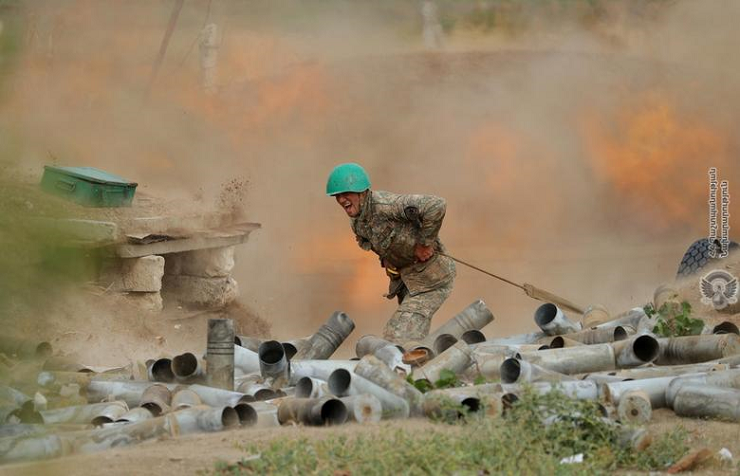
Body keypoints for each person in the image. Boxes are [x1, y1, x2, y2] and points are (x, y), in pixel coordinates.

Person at [326, 162, 456, 343]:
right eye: (337, 196)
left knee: (398, 335)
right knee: (412, 339)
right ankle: (422, 367)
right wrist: (388, 259)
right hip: (407, 282)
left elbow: (436, 205)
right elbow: (380, 242)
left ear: (362, 192)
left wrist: (425, 243)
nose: (341, 200)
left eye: (346, 194)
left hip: (431, 279)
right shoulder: (358, 222)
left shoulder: (387, 205)